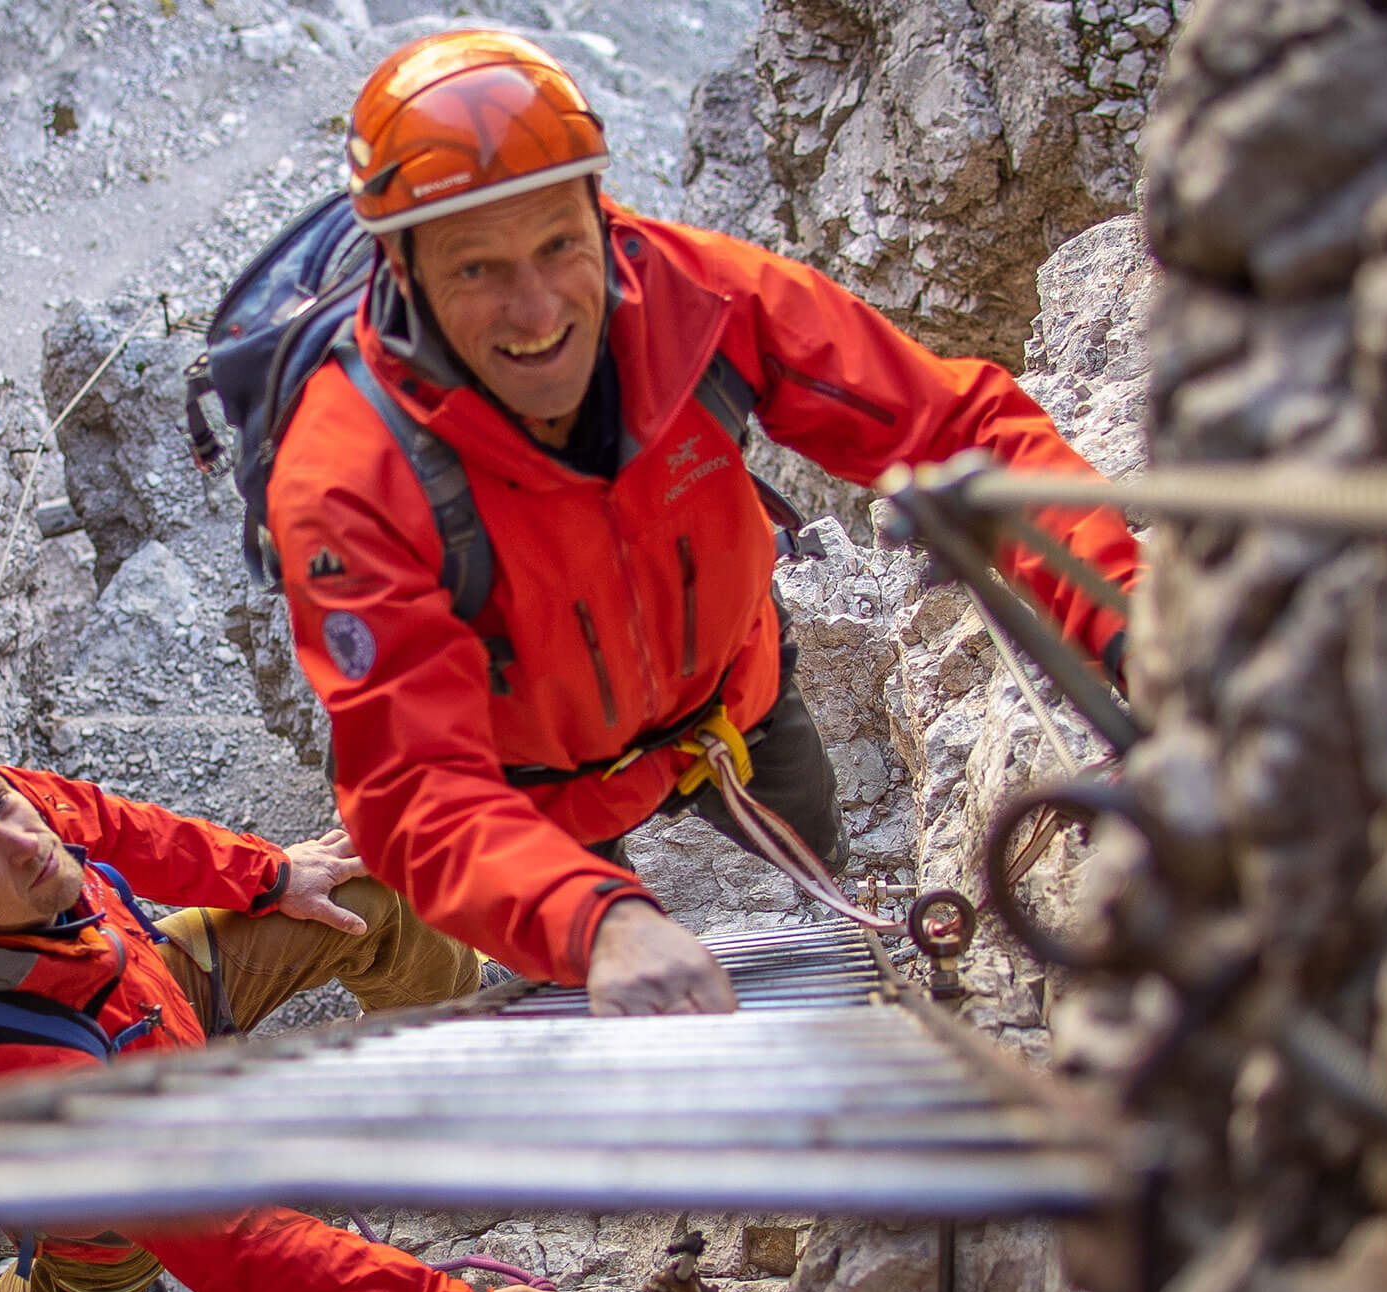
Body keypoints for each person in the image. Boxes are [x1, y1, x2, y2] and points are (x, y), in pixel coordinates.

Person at [266, 30, 1141, 1018]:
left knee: (820, 867)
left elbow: (957, 427)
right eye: (476, 269)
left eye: (560, 243)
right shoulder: (349, 471)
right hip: (532, 797)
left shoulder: (695, 300)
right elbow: (413, 785)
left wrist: (1126, 619)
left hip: (734, 706)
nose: (537, 306)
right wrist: (597, 919)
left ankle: (836, 949)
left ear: (600, 213)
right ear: (405, 267)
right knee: (587, 975)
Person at [0, 710, 578, 1292]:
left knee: (364, 903)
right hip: (103, 1183)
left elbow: (107, 821)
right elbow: (234, 1239)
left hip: (149, 996)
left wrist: (273, 875)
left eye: (3, 802)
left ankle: (469, 1057)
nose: (26, 841)